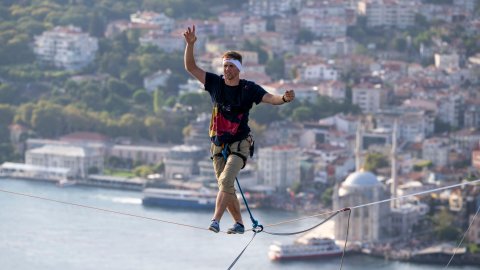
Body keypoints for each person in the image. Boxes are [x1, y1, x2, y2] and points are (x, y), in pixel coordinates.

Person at [183, 25, 295, 234]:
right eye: (225, 66)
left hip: (239, 144)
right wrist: (190, 45)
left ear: (239, 69)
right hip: (217, 144)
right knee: (226, 187)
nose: (227, 70)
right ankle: (239, 224)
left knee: (226, 181)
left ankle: (215, 220)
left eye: (231, 66)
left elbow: (270, 98)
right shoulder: (215, 83)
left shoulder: (248, 89)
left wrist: (284, 98)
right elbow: (191, 67)